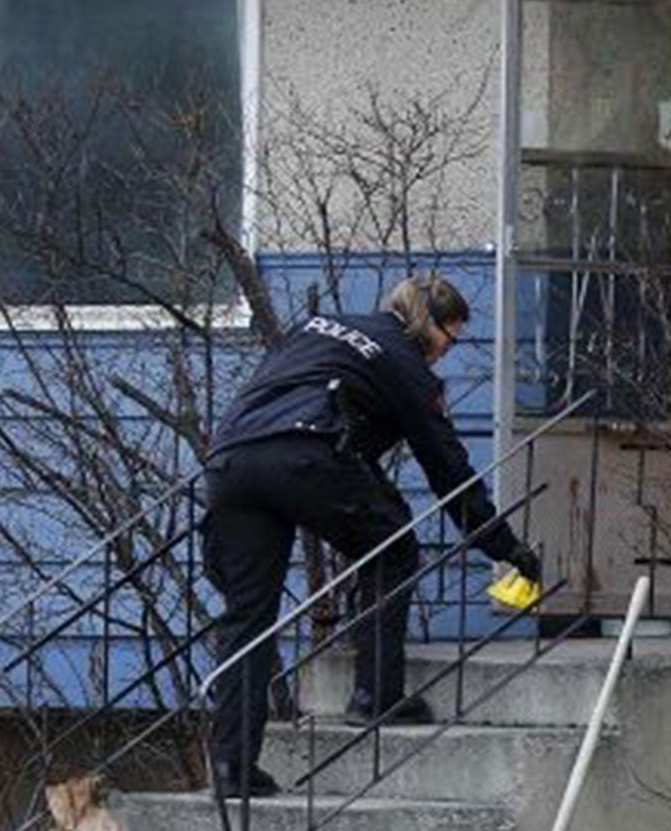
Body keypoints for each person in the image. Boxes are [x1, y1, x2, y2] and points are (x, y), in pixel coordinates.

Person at [202, 274, 543, 797]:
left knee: (248, 617)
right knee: (393, 546)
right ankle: (376, 694)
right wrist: (505, 547)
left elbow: (309, 402)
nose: (443, 358)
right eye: (449, 342)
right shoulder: (405, 364)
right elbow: (447, 468)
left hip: (231, 458)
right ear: (431, 328)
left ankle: (231, 768)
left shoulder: (323, 328)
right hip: (303, 455)